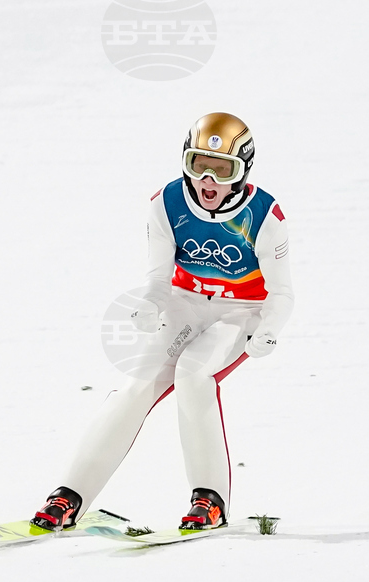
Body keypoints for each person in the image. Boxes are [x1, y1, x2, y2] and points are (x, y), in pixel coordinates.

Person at [31, 112, 294, 531]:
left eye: (221, 169)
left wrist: (268, 330)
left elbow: (281, 292)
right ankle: (68, 496)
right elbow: (158, 276)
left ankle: (210, 500)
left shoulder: (264, 215)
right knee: (136, 385)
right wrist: (152, 304)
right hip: (186, 302)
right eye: (197, 165)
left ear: (242, 170)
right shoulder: (166, 202)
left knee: (194, 374)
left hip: (242, 310)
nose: (207, 180)